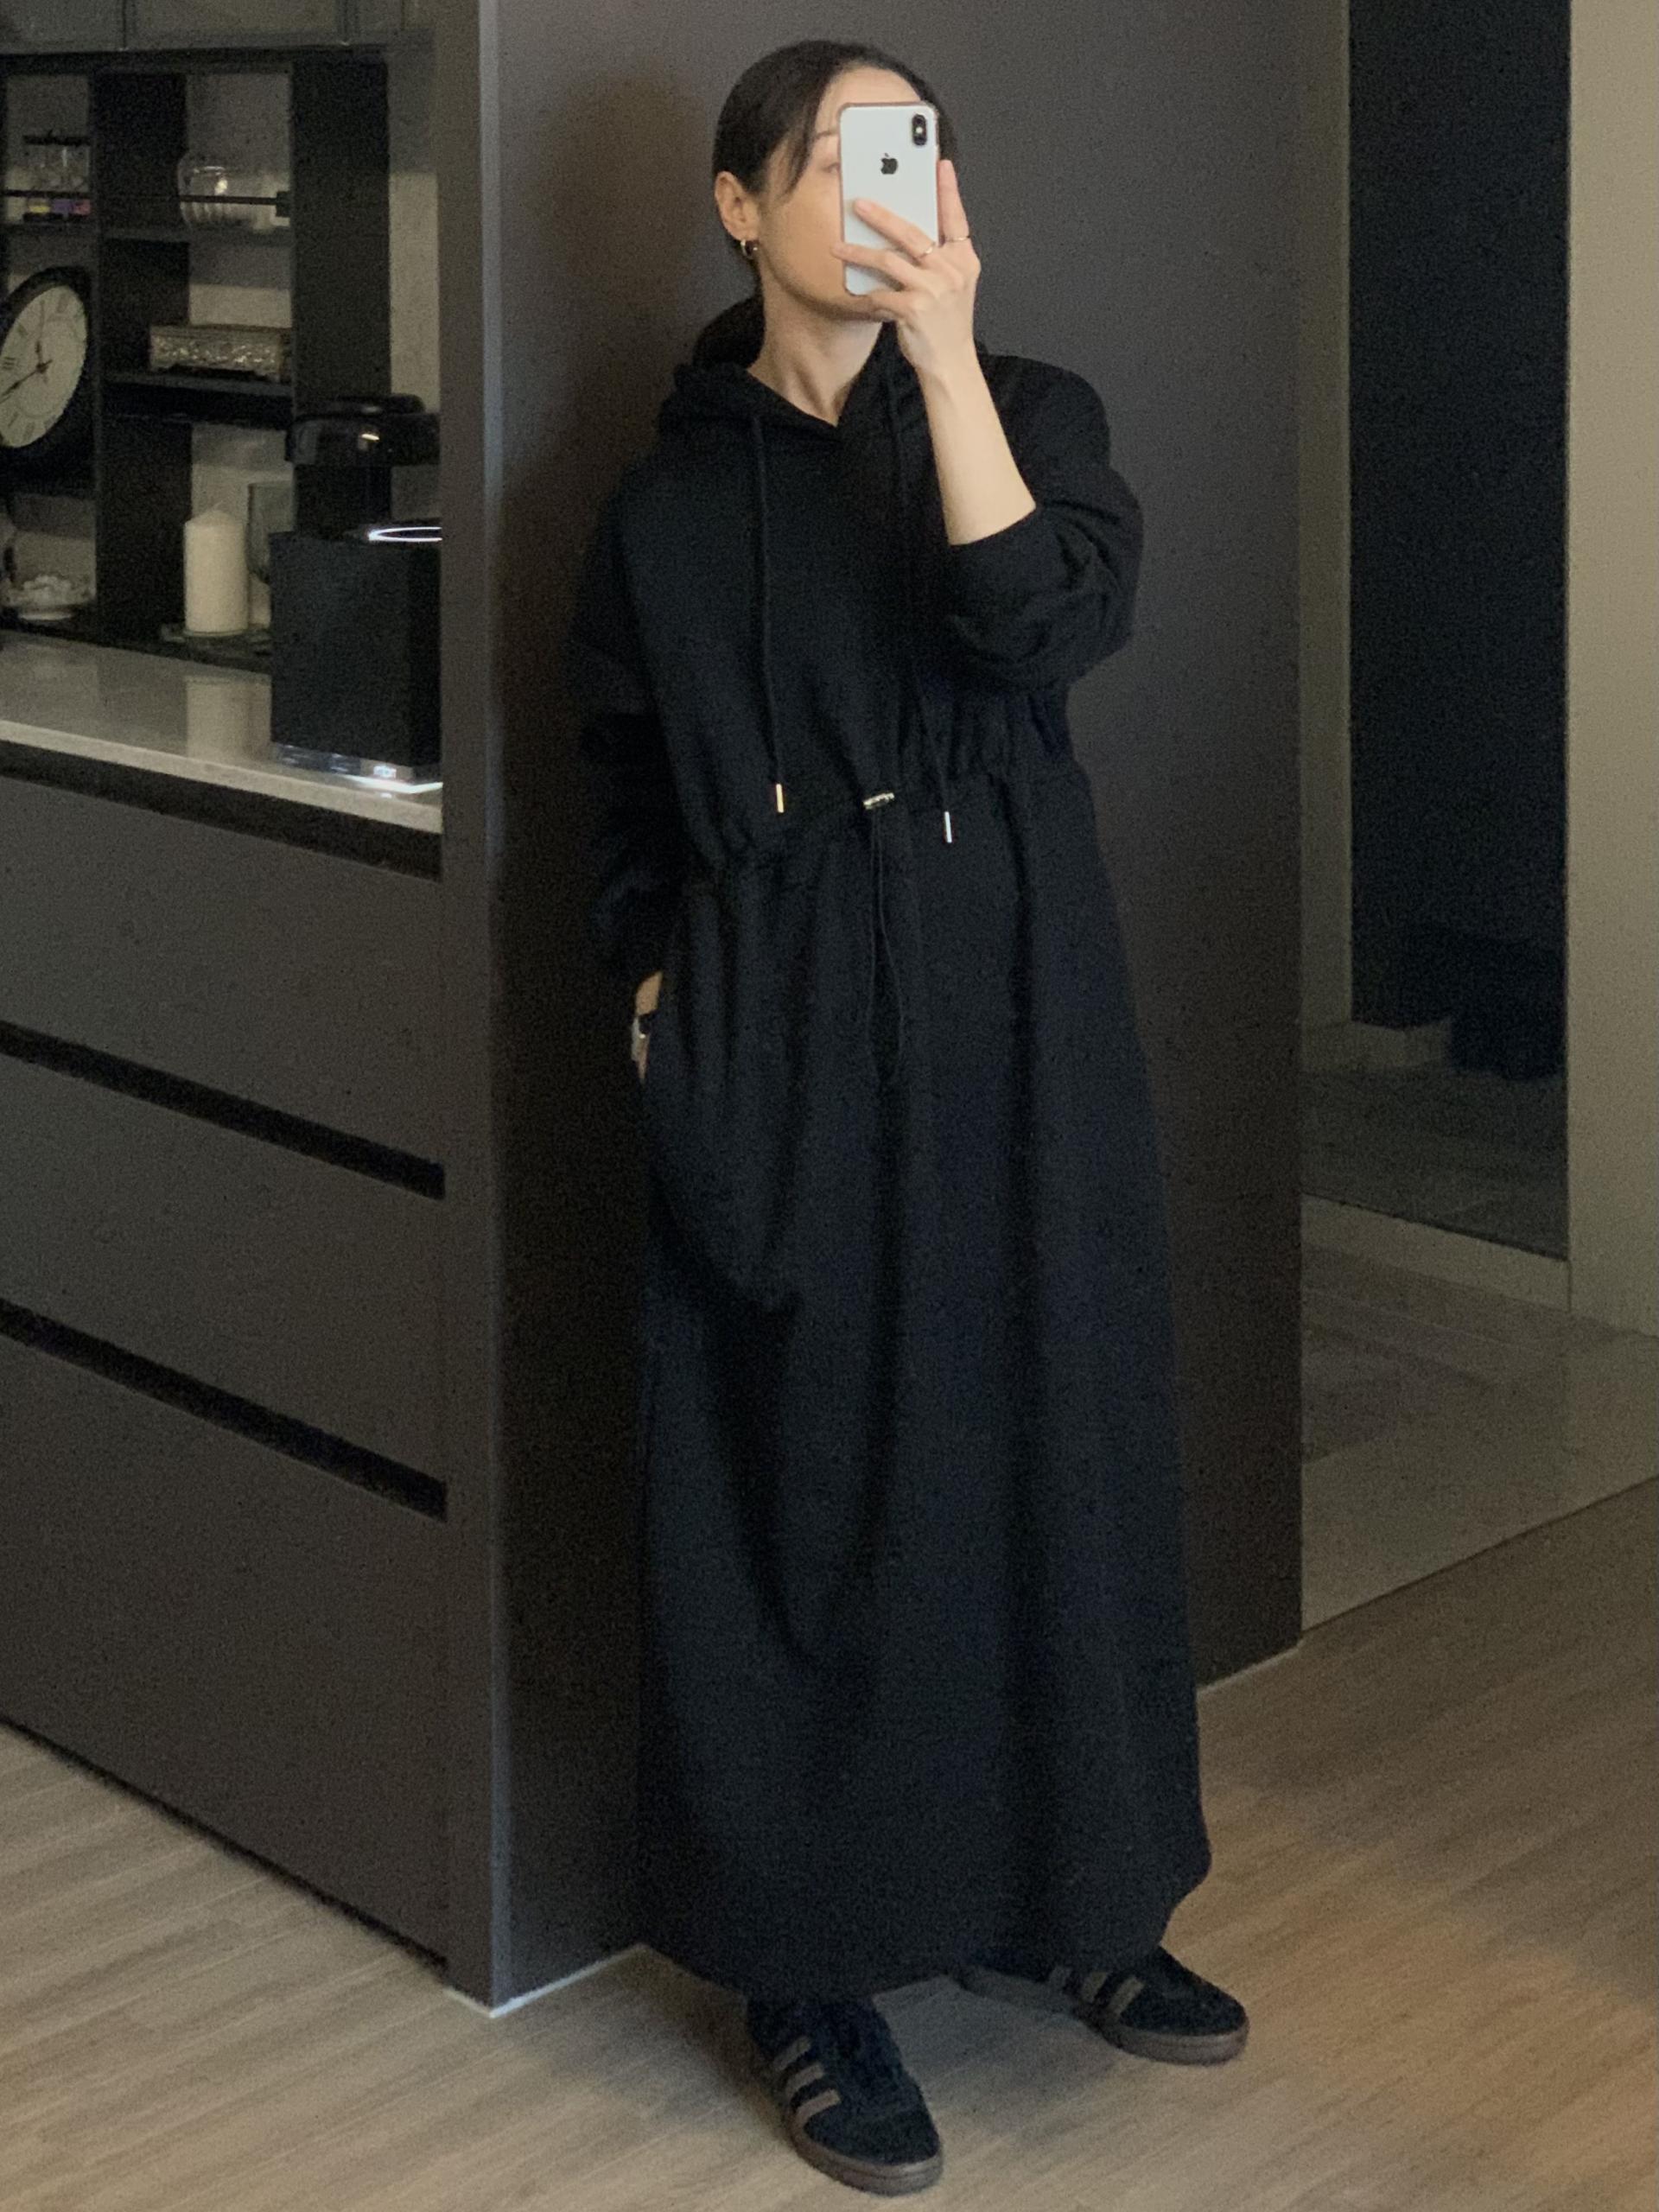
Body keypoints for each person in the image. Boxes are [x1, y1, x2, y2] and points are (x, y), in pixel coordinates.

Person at [561, 39, 1248, 2197]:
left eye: (916, 154)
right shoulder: (664, 511)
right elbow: (616, 791)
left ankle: (1080, 1898)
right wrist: (658, 1004)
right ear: (741, 205)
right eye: (842, 158)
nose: (889, 192)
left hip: (1017, 1008)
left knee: (1050, 1441)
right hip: (783, 1034)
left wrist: (945, 359)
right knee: (804, 1486)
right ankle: (807, 1971)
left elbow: (1038, 625)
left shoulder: (1026, 414)